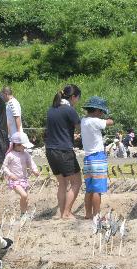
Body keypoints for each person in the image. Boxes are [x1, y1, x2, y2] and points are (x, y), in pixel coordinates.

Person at [44, 84, 82, 219]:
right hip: (64, 151)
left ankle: (62, 213)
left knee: (62, 183)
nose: (77, 101)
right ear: (73, 97)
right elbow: (80, 127)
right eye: (78, 98)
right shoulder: (69, 110)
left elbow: (59, 129)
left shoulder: (51, 109)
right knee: (76, 182)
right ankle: (67, 213)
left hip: (50, 150)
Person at [80, 96, 114, 219]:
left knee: (89, 189)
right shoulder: (95, 121)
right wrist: (109, 119)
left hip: (88, 157)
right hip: (98, 157)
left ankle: (88, 214)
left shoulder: (84, 120)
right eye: (101, 112)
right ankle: (97, 215)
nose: (102, 114)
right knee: (97, 189)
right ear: (97, 110)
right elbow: (109, 122)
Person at [2, 132, 39, 214]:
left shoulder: (25, 154)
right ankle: (23, 214)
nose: (25, 147)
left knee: (26, 198)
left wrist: (35, 170)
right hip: (14, 181)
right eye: (24, 146)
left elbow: (31, 162)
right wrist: (10, 174)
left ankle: (23, 213)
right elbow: (4, 167)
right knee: (24, 195)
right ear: (17, 145)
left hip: (24, 180)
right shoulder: (10, 155)